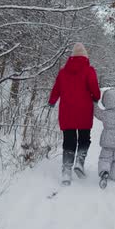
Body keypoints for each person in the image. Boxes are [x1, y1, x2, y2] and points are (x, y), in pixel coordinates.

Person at [48, 43, 101, 186]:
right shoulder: (89, 70)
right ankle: (79, 161)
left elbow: (56, 89)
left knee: (69, 140)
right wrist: (96, 97)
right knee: (84, 138)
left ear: (71, 57)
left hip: (67, 111)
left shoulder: (63, 72)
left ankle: (66, 171)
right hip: (84, 110)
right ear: (85, 56)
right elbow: (95, 89)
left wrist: (52, 101)